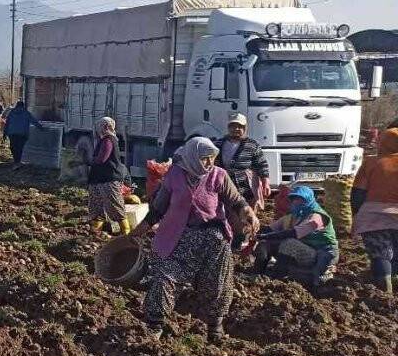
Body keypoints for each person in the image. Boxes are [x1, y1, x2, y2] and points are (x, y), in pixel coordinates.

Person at [131, 137, 259, 341]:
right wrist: (136, 232)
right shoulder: (174, 175)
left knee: (218, 284)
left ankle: (215, 327)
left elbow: (236, 200)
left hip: (214, 239)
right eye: (204, 158)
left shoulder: (219, 175)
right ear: (192, 156)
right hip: (180, 237)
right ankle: (155, 326)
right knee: (165, 276)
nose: (209, 163)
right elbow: (158, 209)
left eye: (212, 158)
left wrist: (248, 213)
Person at [254, 186, 338, 291]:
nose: (296, 202)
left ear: (309, 200)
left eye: (300, 199)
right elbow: (270, 229)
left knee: (288, 243)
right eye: (294, 199)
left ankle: (278, 276)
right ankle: (257, 272)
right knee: (265, 244)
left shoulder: (316, 217)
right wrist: (256, 234)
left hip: (320, 254)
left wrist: (268, 236)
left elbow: (294, 233)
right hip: (305, 250)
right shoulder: (294, 216)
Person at [352, 127, 398, 294]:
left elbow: (358, 192)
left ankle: (385, 290)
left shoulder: (371, 163)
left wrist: (356, 215)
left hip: (374, 216)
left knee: (381, 253)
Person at [214, 113, 270, 250]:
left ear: (245, 128)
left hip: (246, 185)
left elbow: (261, 164)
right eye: (233, 126)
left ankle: (246, 241)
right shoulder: (219, 144)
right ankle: (231, 238)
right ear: (228, 127)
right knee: (228, 212)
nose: (236, 129)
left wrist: (266, 182)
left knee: (247, 213)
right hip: (225, 184)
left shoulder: (252, 145)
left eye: (240, 127)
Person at [87, 117, 129, 234]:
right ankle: (96, 232)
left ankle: (126, 233)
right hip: (98, 179)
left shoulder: (108, 140)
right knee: (96, 206)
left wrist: (90, 160)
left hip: (108, 179)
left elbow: (102, 159)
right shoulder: (104, 140)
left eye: (100, 126)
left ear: (106, 127)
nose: (98, 129)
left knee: (114, 206)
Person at [2, 100, 40, 168]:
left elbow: (7, 124)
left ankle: (16, 161)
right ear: (23, 106)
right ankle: (17, 162)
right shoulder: (26, 113)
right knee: (19, 148)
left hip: (12, 134)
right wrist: (41, 127)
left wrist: (4, 134)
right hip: (23, 134)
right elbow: (34, 121)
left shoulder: (12, 113)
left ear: (16, 106)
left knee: (13, 147)